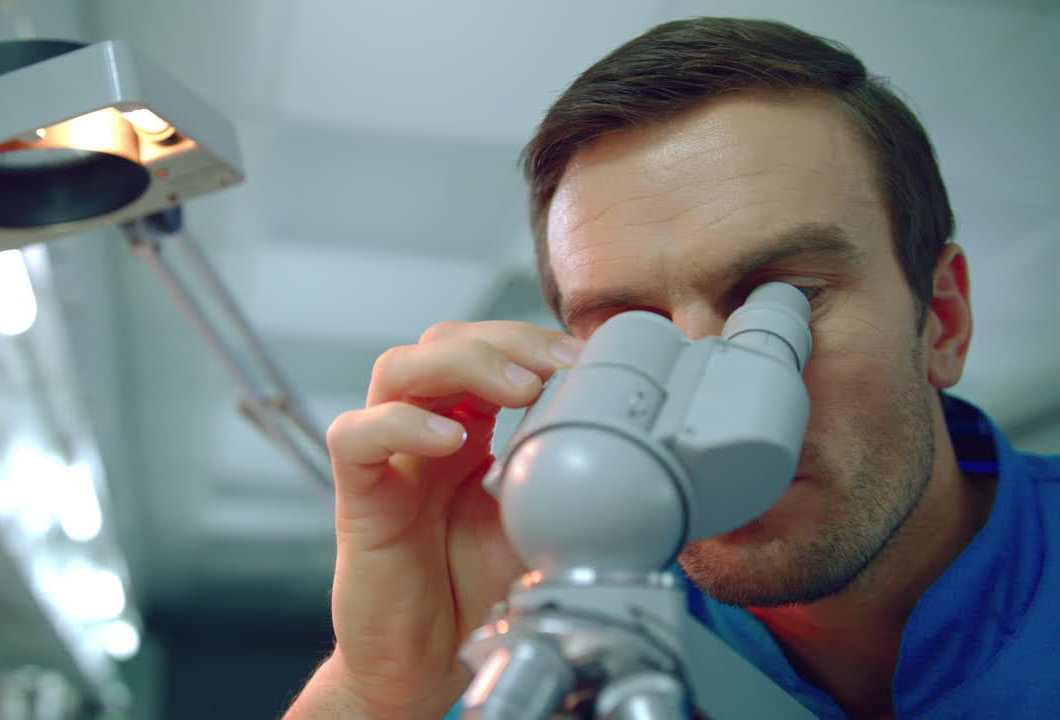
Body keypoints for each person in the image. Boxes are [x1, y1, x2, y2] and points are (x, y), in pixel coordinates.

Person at [283, 17, 1060, 720]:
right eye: (630, 333)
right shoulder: (542, 649)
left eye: (780, 301)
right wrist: (374, 693)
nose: (705, 392)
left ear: (943, 322)